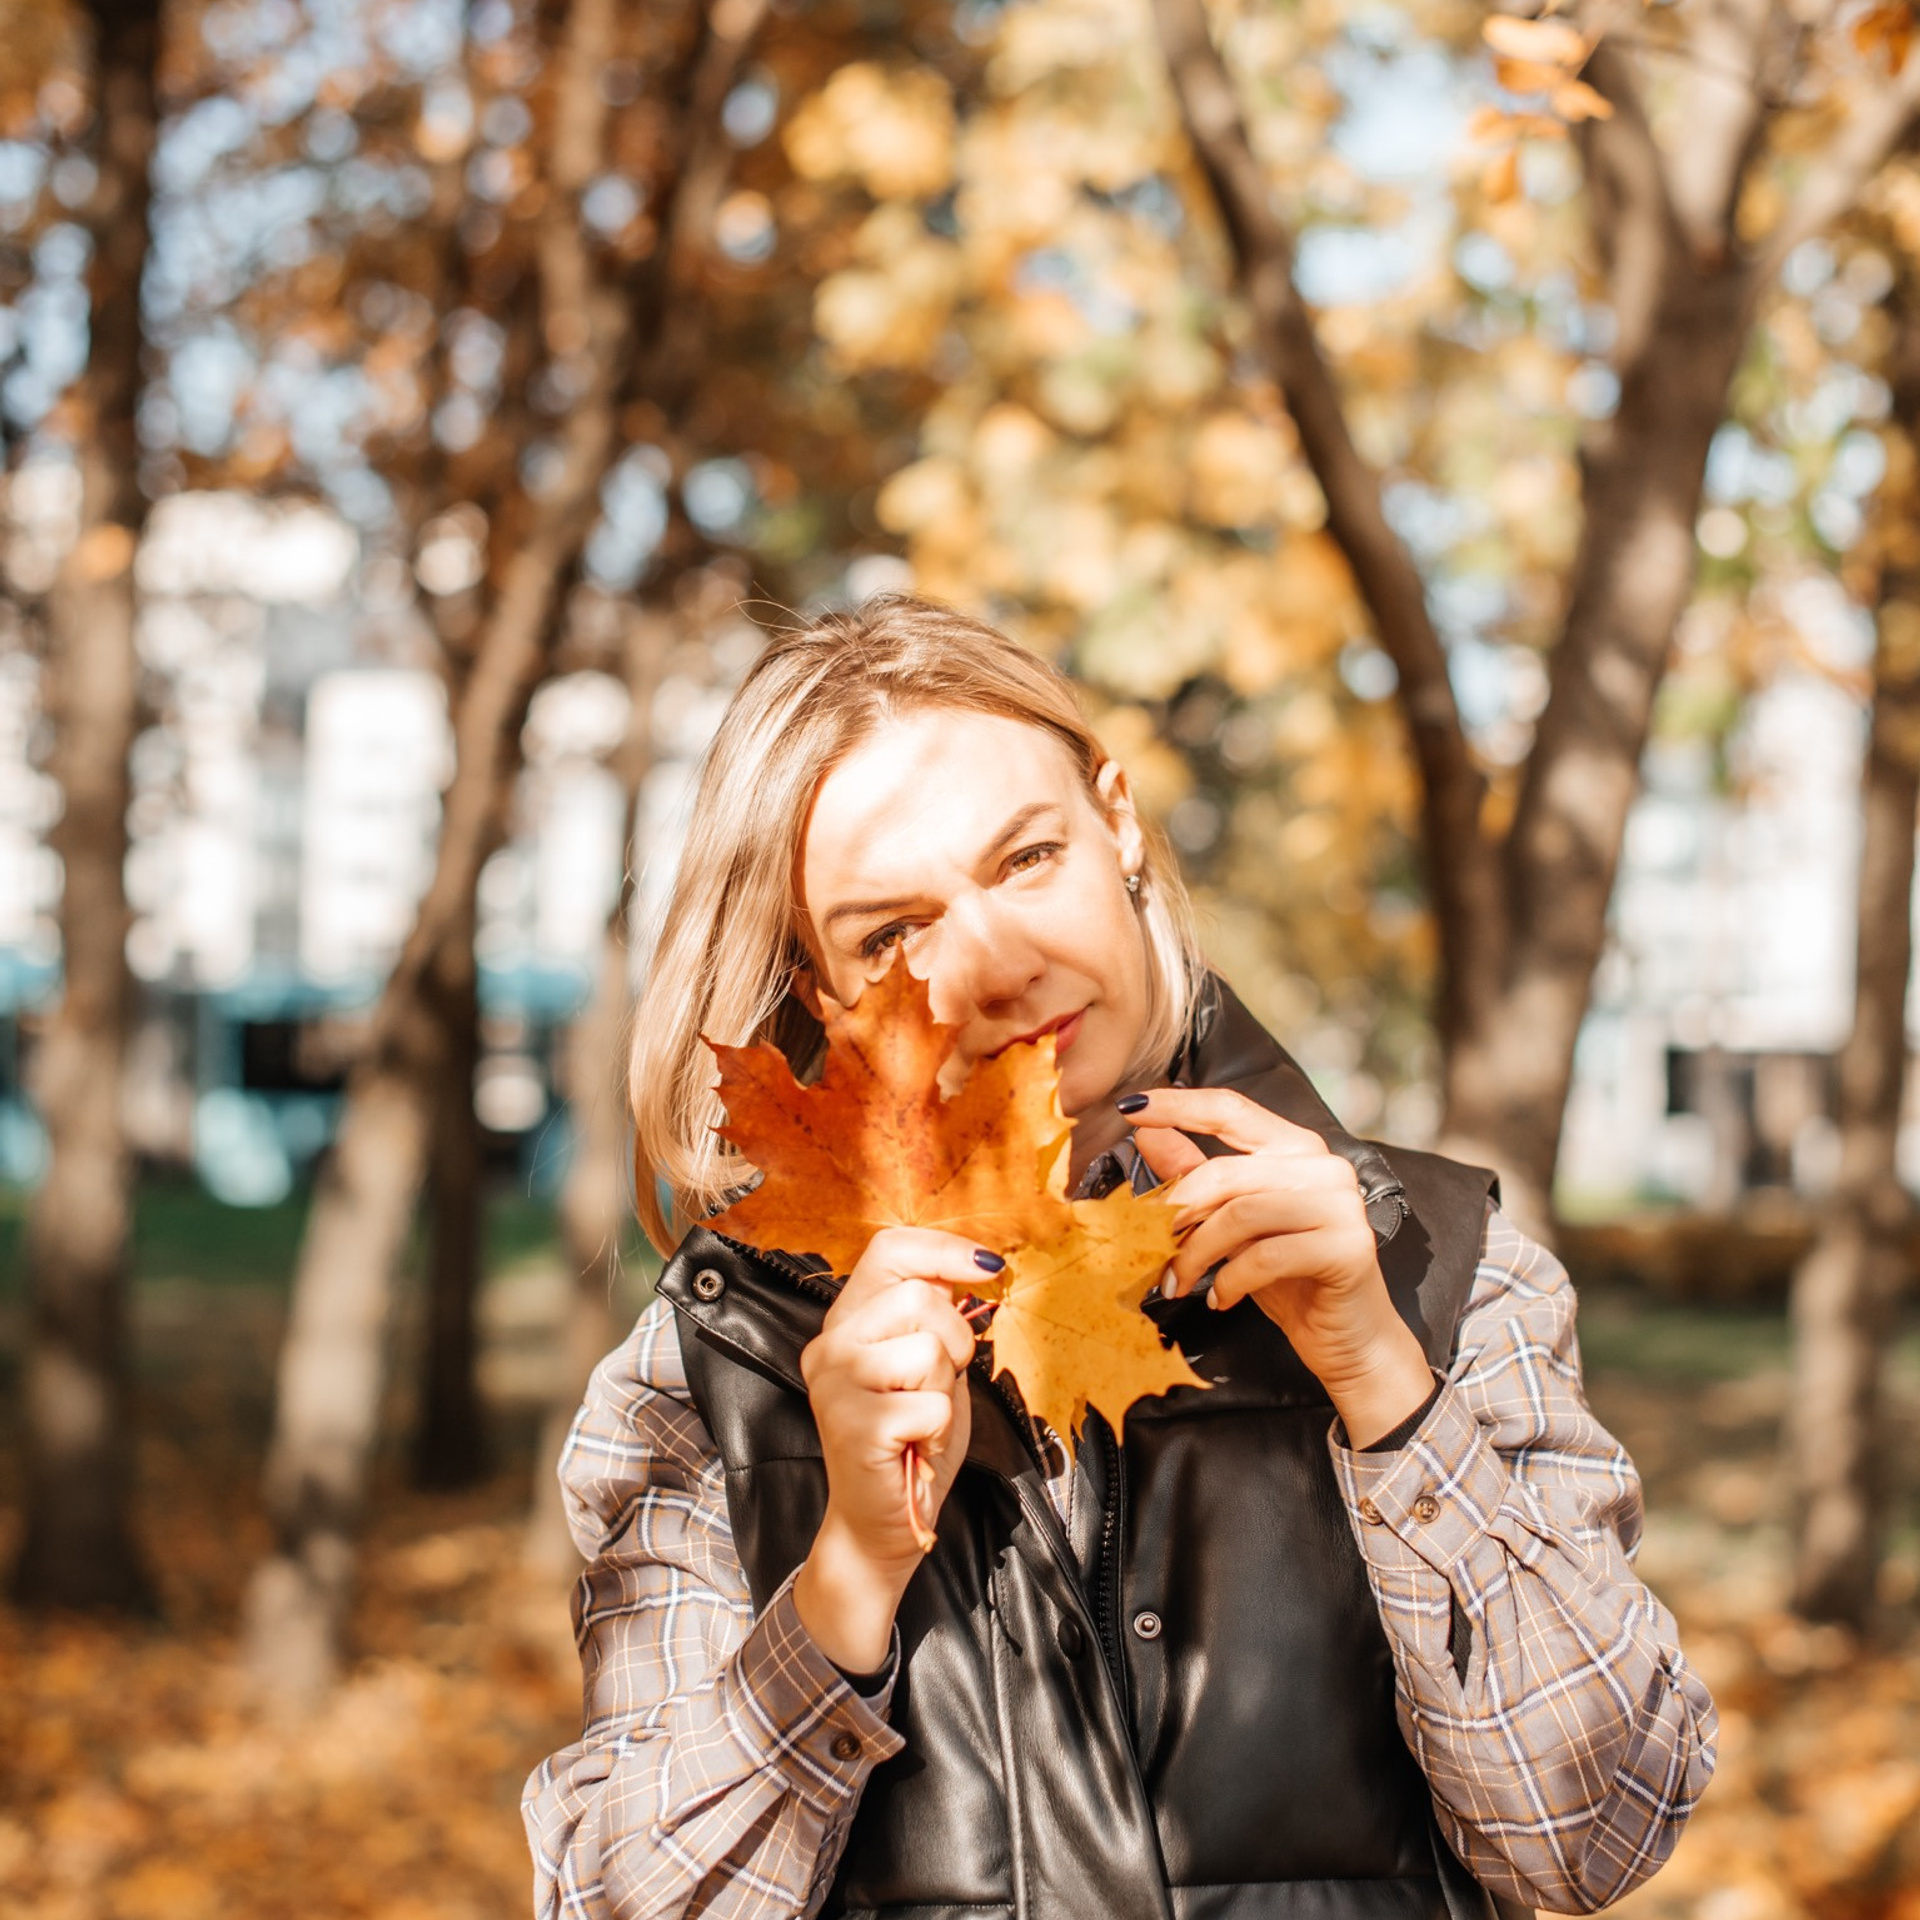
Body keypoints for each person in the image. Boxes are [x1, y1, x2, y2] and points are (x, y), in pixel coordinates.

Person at [523, 596, 1716, 1920]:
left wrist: (1387, 1388)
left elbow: (1595, 1839)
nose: (998, 964)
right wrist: (846, 1577)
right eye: (889, 934)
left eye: (1028, 859)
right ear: (823, 990)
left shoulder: (1443, 1265)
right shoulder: (723, 1362)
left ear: (1120, 822)